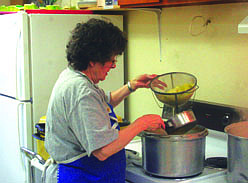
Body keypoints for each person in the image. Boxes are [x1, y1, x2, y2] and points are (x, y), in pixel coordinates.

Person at [44, 18, 165, 183]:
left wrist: (132, 85)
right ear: (93, 60)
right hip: (82, 176)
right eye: (112, 60)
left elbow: (103, 103)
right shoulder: (82, 91)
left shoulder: (73, 76)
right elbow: (103, 150)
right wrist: (142, 123)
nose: (113, 66)